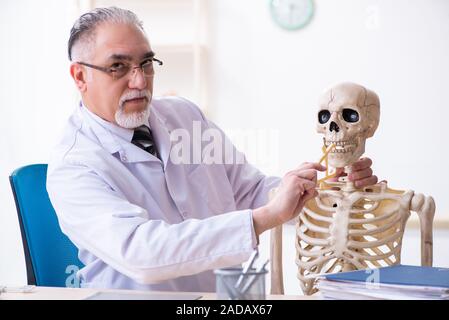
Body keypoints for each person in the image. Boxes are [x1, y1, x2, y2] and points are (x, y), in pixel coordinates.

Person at [47, 7, 378, 292]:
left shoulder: (183, 116)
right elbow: (142, 254)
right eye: (118, 67)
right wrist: (265, 218)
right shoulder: (73, 165)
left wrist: (326, 189)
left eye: (147, 63)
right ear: (80, 76)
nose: (140, 81)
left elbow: (250, 190)